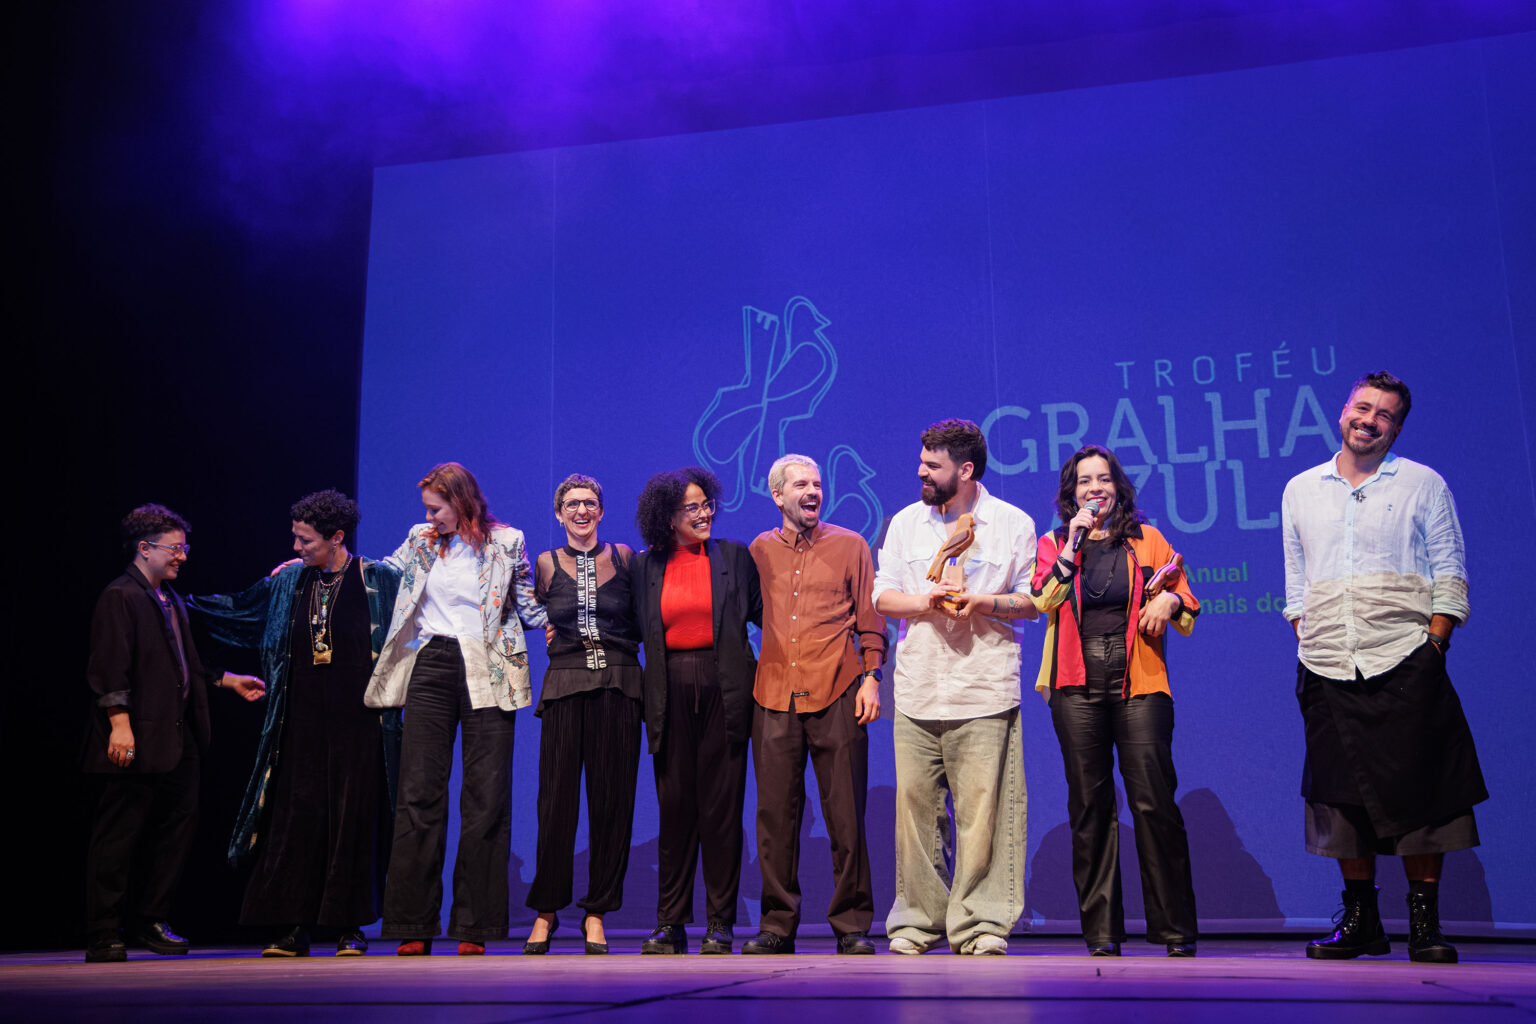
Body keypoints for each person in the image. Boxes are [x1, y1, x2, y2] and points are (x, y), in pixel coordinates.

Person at [1283, 371, 1486, 964]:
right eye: (1362, 407)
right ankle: (1362, 922)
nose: (1369, 419)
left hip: (1404, 657)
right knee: (1342, 799)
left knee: (1426, 794)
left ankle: (1424, 925)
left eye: (1385, 415)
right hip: (1326, 662)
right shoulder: (1301, 488)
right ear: (1343, 410)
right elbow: (1297, 582)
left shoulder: (1423, 484)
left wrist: (1435, 644)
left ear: (1397, 428)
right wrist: (1306, 631)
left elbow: (1449, 571)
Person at [189, 489, 401, 957]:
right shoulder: (290, 582)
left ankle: (350, 926)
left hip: (360, 721)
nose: (297, 548)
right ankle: (292, 927)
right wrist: (177, 604)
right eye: (296, 538)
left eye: (305, 540)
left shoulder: (380, 579)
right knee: (296, 819)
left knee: (352, 820)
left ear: (337, 537)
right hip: (300, 719)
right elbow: (238, 611)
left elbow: (414, 626)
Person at [364, 462, 546, 956]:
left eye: (436, 508)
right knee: (419, 791)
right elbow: (380, 575)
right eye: (426, 509)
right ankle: (412, 922)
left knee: (485, 797)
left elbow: (525, 604)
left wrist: (568, 620)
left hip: (488, 665)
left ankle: (475, 926)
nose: (429, 516)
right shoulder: (421, 539)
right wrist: (313, 567)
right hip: (432, 661)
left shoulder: (507, 541)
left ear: (462, 501)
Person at [873, 419, 1038, 955]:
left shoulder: (1012, 524)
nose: (920, 471)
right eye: (921, 461)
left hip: (983, 688)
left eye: (932, 465)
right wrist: (926, 600)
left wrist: (984, 603)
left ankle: (982, 924)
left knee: (985, 814)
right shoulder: (905, 523)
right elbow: (882, 596)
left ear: (966, 470)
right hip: (918, 688)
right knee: (916, 817)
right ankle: (917, 923)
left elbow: (1033, 601)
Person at [1030, 445, 1201, 957]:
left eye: (1103, 479)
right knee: (1091, 807)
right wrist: (1070, 547)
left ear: (1118, 487)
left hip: (1140, 684)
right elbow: (1042, 598)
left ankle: (1174, 930)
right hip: (1075, 686)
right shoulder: (1056, 542)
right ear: (1071, 493)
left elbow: (1186, 599)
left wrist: (1170, 599)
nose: (1095, 488)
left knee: (1154, 802)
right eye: (1084, 482)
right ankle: (1102, 933)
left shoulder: (1145, 539)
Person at [83, 505, 265, 963]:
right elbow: (108, 669)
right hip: (136, 736)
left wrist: (226, 680)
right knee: (119, 835)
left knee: (174, 835)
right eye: (175, 548)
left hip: (179, 738)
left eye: (185, 548)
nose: (182, 556)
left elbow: (185, 665)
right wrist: (119, 725)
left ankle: (152, 920)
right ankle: (105, 930)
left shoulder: (169, 599)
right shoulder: (120, 596)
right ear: (145, 549)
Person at [742, 454, 886, 956]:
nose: (812, 491)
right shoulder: (757, 551)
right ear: (777, 494)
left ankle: (851, 925)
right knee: (775, 818)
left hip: (839, 689)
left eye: (818, 484)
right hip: (774, 695)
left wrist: (872, 679)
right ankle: (777, 926)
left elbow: (869, 619)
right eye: (801, 484)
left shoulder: (851, 545)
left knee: (846, 815)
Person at [631, 466, 761, 954]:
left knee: (722, 812)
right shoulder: (645, 567)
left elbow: (765, 616)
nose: (705, 513)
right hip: (667, 689)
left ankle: (720, 923)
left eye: (707, 504)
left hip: (725, 685)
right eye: (693, 507)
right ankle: (670, 922)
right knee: (676, 809)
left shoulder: (733, 556)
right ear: (667, 516)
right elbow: (624, 626)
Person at [523, 475, 643, 956]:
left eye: (589, 503)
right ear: (558, 513)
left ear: (601, 509)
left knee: (612, 803)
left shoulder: (625, 558)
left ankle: (597, 912)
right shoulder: (546, 565)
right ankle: (547, 910)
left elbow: (644, 616)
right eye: (571, 504)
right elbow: (526, 613)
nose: (581, 511)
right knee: (555, 804)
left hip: (618, 683)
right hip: (565, 686)